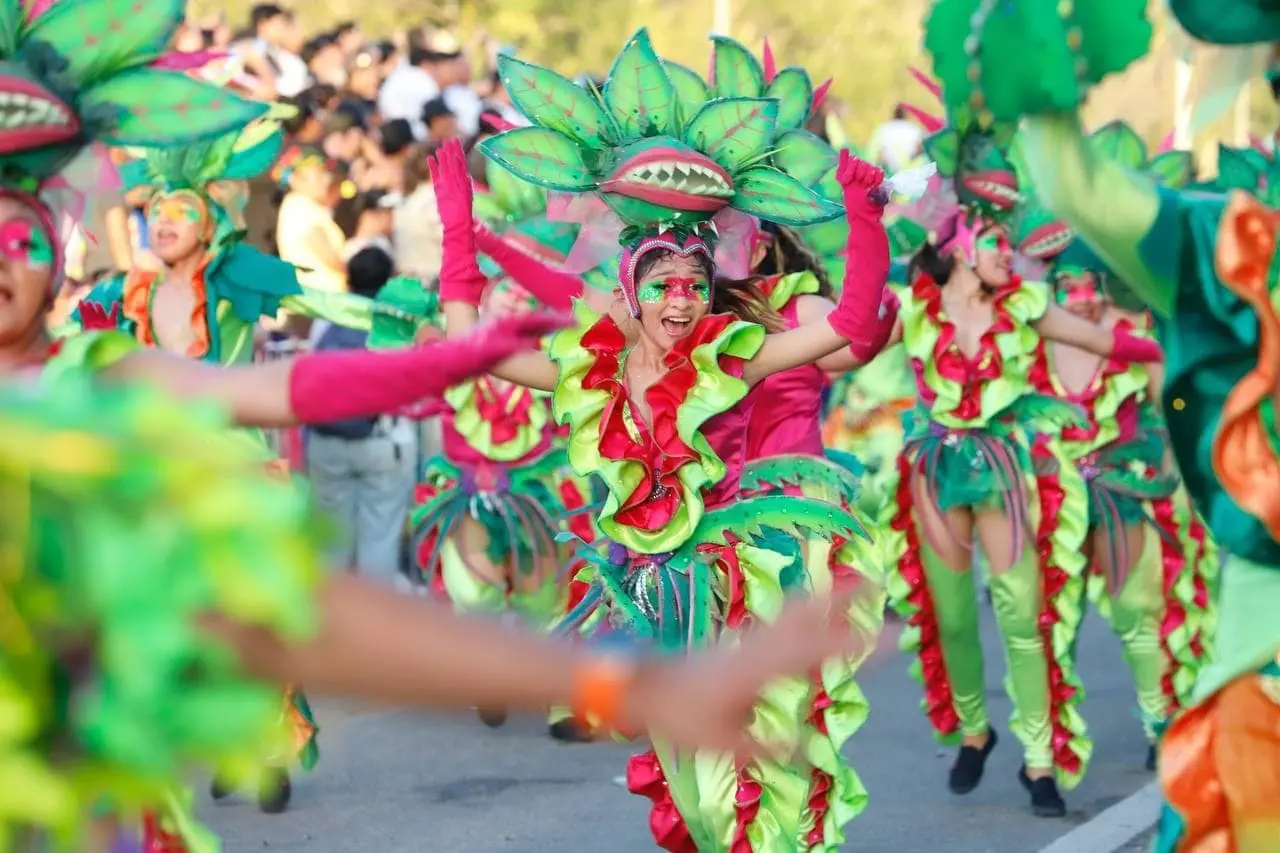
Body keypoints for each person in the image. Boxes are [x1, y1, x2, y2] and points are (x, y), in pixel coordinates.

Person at [437, 28, 898, 850]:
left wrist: (864, 219)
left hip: (740, 579)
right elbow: (474, 348)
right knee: (687, 797)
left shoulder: (735, 356)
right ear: (632, 293)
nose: (682, 302)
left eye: (694, 286)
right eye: (663, 287)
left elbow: (855, 323)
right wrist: (458, 233)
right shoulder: (596, 374)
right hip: (649, 589)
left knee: (745, 786)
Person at [919, 1, 1278, 846]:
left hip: (1099, 483)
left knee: (1125, 613)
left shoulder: (1048, 306)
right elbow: (1083, 189)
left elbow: (1109, 337)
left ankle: (1083, 739)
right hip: (1256, 610)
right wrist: (1042, 94)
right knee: (1009, 617)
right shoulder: (1235, 250)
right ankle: (999, 739)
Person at [878, 114, 1164, 816]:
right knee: (949, 617)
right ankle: (975, 731)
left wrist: (1181, 345)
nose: (1014, 255)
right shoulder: (912, 310)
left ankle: (1040, 760)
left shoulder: (1027, 306)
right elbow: (852, 325)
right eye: (999, 242)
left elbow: (1108, 341)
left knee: (1021, 611)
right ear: (959, 245)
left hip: (1004, 467)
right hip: (936, 469)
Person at [308, 247, 418, 591]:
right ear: (389, 281)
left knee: (331, 543)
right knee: (380, 541)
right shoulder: (398, 322)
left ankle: (327, 627)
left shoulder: (326, 318)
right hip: (384, 443)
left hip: (327, 442)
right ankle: (375, 633)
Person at [865, 105, 925, 174]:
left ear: (893, 114)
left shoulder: (883, 129)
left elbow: (874, 153)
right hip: (914, 171)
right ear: (906, 115)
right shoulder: (914, 128)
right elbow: (920, 149)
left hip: (892, 172)